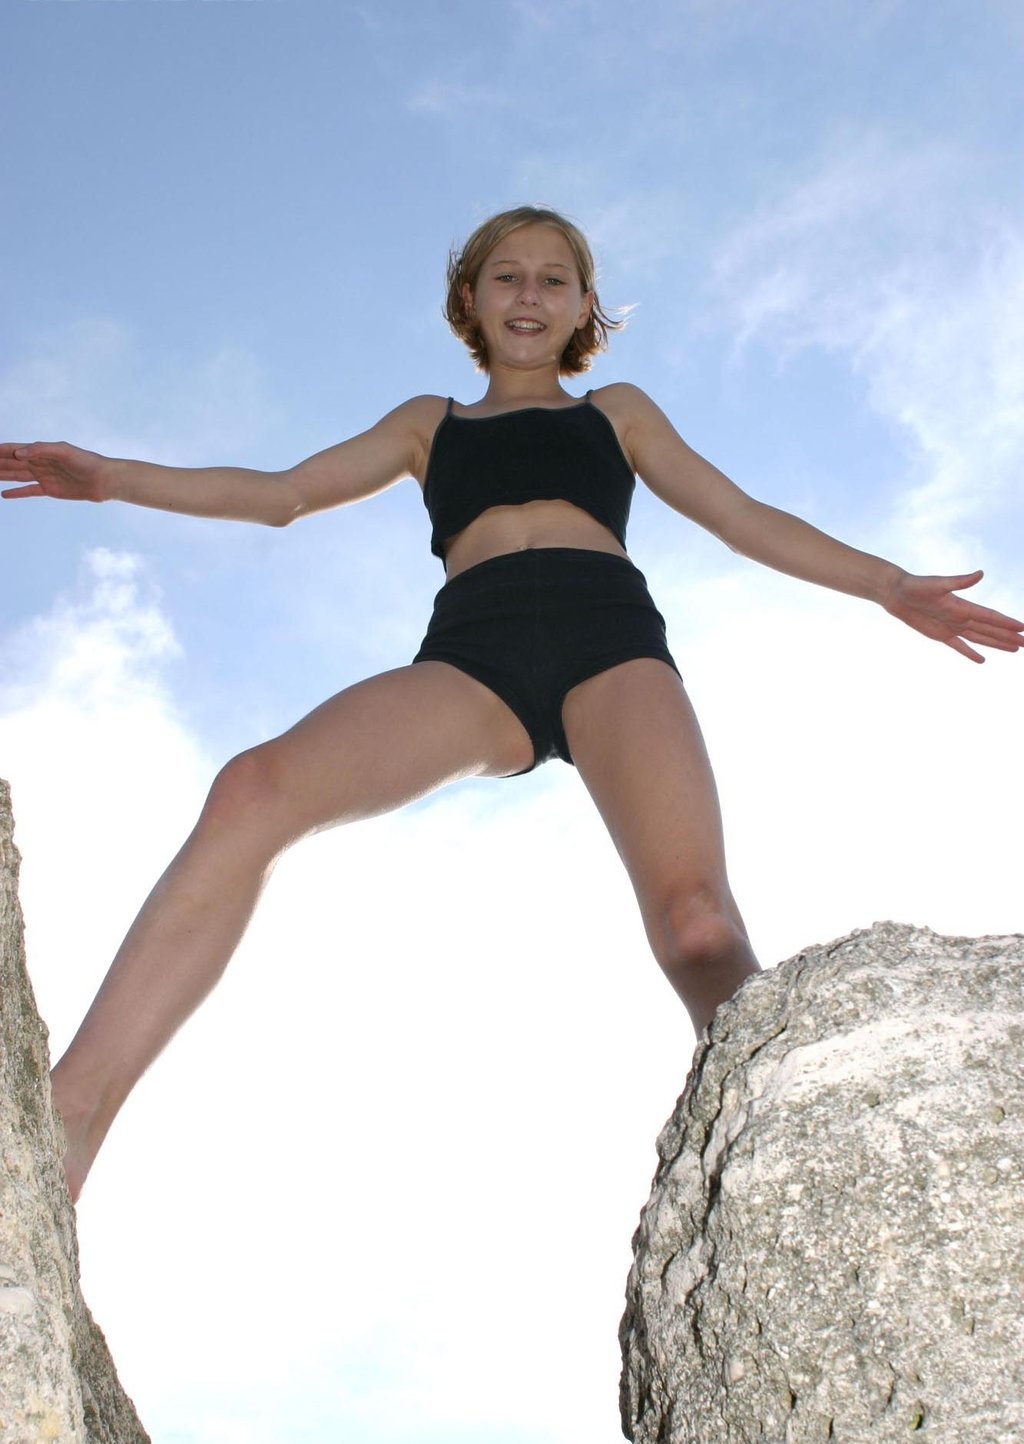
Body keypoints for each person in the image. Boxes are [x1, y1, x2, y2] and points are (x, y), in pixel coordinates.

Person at [2, 206, 1022, 1203]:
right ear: (470, 299)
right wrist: (111, 478)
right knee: (251, 787)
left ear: (583, 308)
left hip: (611, 642)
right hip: (474, 655)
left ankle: (781, 1132)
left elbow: (739, 515)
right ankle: (72, 1112)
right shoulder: (428, 424)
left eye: (553, 279)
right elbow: (284, 493)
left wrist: (889, 584)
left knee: (698, 925)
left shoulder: (616, 412)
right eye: (507, 275)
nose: (529, 293)